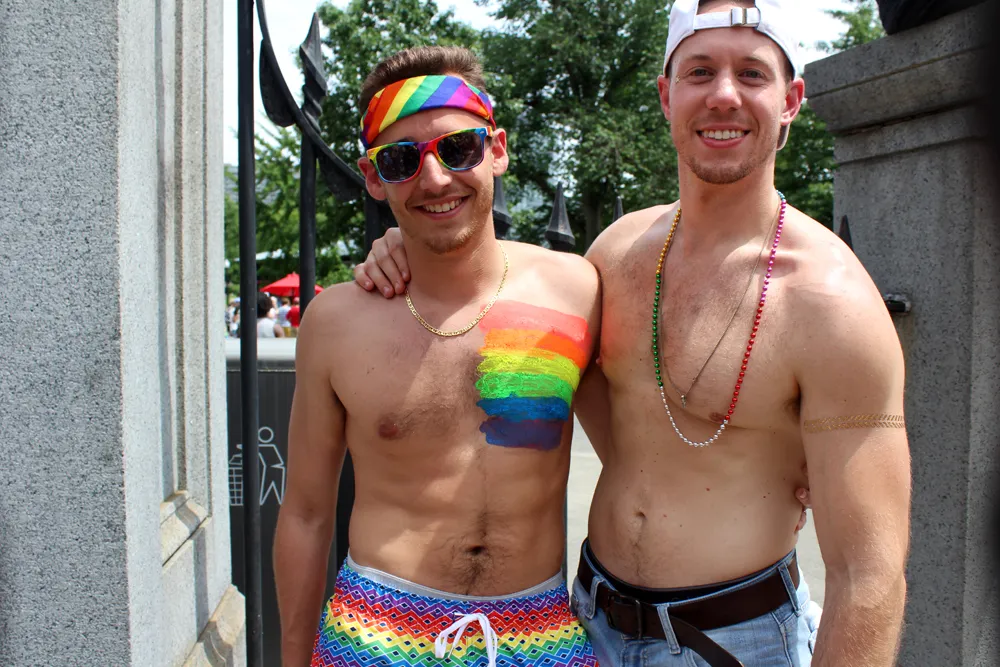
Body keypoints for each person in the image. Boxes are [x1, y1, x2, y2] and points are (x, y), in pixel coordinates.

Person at [354, 1, 912, 665]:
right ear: (666, 96)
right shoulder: (614, 256)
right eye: (699, 71)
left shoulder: (832, 302)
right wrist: (408, 245)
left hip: (733, 640)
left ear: (790, 100)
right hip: (586, 624)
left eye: (751, 74)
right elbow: (502, 307)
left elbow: (870, 576)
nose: (724, 95)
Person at [273, 46, 603, 667]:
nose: (434, 179)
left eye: (458, 149)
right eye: (401, 160)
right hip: (375, 633)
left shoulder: (576, 290)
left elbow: (643, 443)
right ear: (374, 178)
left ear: (497, 149)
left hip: (538, 632)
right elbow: (307, 514)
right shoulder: (337, 323)